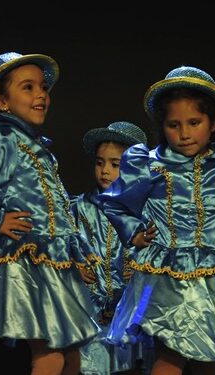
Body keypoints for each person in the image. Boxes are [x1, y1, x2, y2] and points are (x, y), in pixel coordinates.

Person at [101, 66, 215, 375]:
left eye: (194, 123)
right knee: (169, 356)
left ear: (212, 123)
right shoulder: (150, 165)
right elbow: (116, 203)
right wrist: (134, 233)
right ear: (163, 125)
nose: (184, 133)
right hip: (163, 276)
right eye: (174, 125)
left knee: (211, 357)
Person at [0, 52, 99, 375]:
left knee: (70, 354)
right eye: (28, 88)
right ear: (1, 101)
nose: (41, 94)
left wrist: (76, 258)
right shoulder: (0, 139)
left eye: (42, 87)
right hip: (26, 259)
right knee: (51, 351)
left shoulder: (39, 149)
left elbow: (57, 210)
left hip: (53, 261)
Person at [72, 121, 151, 375]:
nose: (105, 171)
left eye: (115, 164)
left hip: (132, 311)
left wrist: (141, 272)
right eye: (99, 162)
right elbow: (66, 246)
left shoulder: (144, 212)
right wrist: (76, 264)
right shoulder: (78, 208)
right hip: (90, 311)